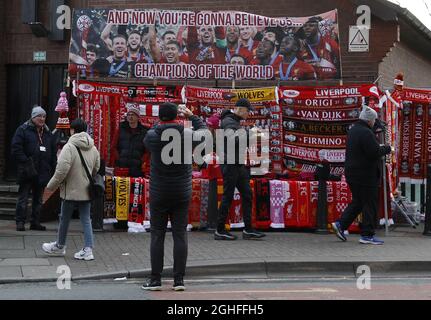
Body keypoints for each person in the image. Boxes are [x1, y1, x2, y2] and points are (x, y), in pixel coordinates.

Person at [142, 103, 207, 291]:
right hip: (181, 191)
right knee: (180, 235)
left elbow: (148, 139)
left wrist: (159, 124)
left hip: (159, 192)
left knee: (157, 235)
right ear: (177, 116)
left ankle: (155, 279)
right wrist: (192, 116)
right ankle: (179, 280)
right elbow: (205, 133)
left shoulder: (152, 135)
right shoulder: (187, 134)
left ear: (160, 117)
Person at [331, 106, 392, 245]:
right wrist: (388, 148)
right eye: (374, 120)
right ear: (370, 120)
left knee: (359, 201)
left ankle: (340, 225)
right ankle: (367, 235)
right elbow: (373, 152)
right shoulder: (366, 133)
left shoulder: (354, 130)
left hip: (353, 173)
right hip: (365, 175)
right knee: (369, 204)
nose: (375, 122)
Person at [42, 119, 100, 260]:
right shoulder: (93, 147)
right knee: (86, 219)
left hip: (70, 190)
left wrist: (50, 186)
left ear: (73, 130)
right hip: (86, 190)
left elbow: (61, 170)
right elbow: (96, 168)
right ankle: (88, 249)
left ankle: (59, 246)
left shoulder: (69, 147)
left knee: (64, 219)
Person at [215, 98, 266, 240]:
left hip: (237, 163)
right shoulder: (228, 121)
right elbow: (233, 141)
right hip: (230, 164)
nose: (249, 114)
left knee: (247, 194)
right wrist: (251, 134)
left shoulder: (234, 121)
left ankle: (248, 229)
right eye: (248, 111)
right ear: (241, 109)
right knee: (228, 196)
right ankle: (219, 230)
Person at [11, 106, 57, 231]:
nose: (42, 119)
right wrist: (26, 161)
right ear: (33, 117)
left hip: (42, 171)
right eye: (39, 116)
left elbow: (53, 152)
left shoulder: (48, 133)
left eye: (44, 116)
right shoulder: (23, 130)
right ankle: (20, 222)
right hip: (27, 170)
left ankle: (35, 222)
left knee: (38, 199)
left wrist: (53, 167)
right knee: (23, 198)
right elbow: (16, 148)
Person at [113, 103, 149, 177]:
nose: (130, 117)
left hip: (137, 168)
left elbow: (147, 150)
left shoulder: (144, 132)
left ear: (138, 117)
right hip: (122, 166)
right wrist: (119, 159)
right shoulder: (120, 129)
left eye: (133, 115)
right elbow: (114, 147)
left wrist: (141, 161)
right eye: (129, 115)